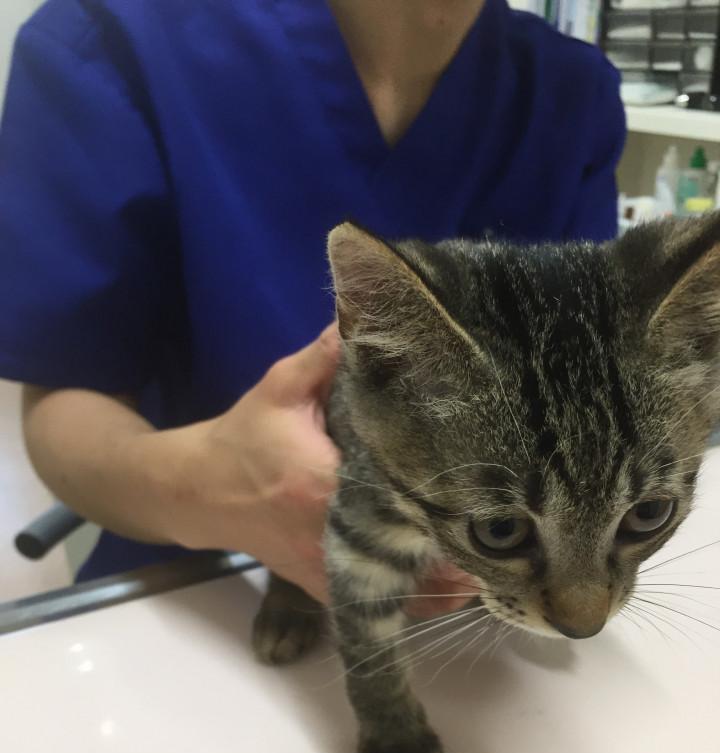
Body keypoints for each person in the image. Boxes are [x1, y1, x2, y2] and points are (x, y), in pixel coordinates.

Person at [0, 0, 625, 611]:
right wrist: (209, 486)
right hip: (197, 589)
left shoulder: (573, 93)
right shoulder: (109, 38)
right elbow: (65, 401)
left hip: (490, 607)